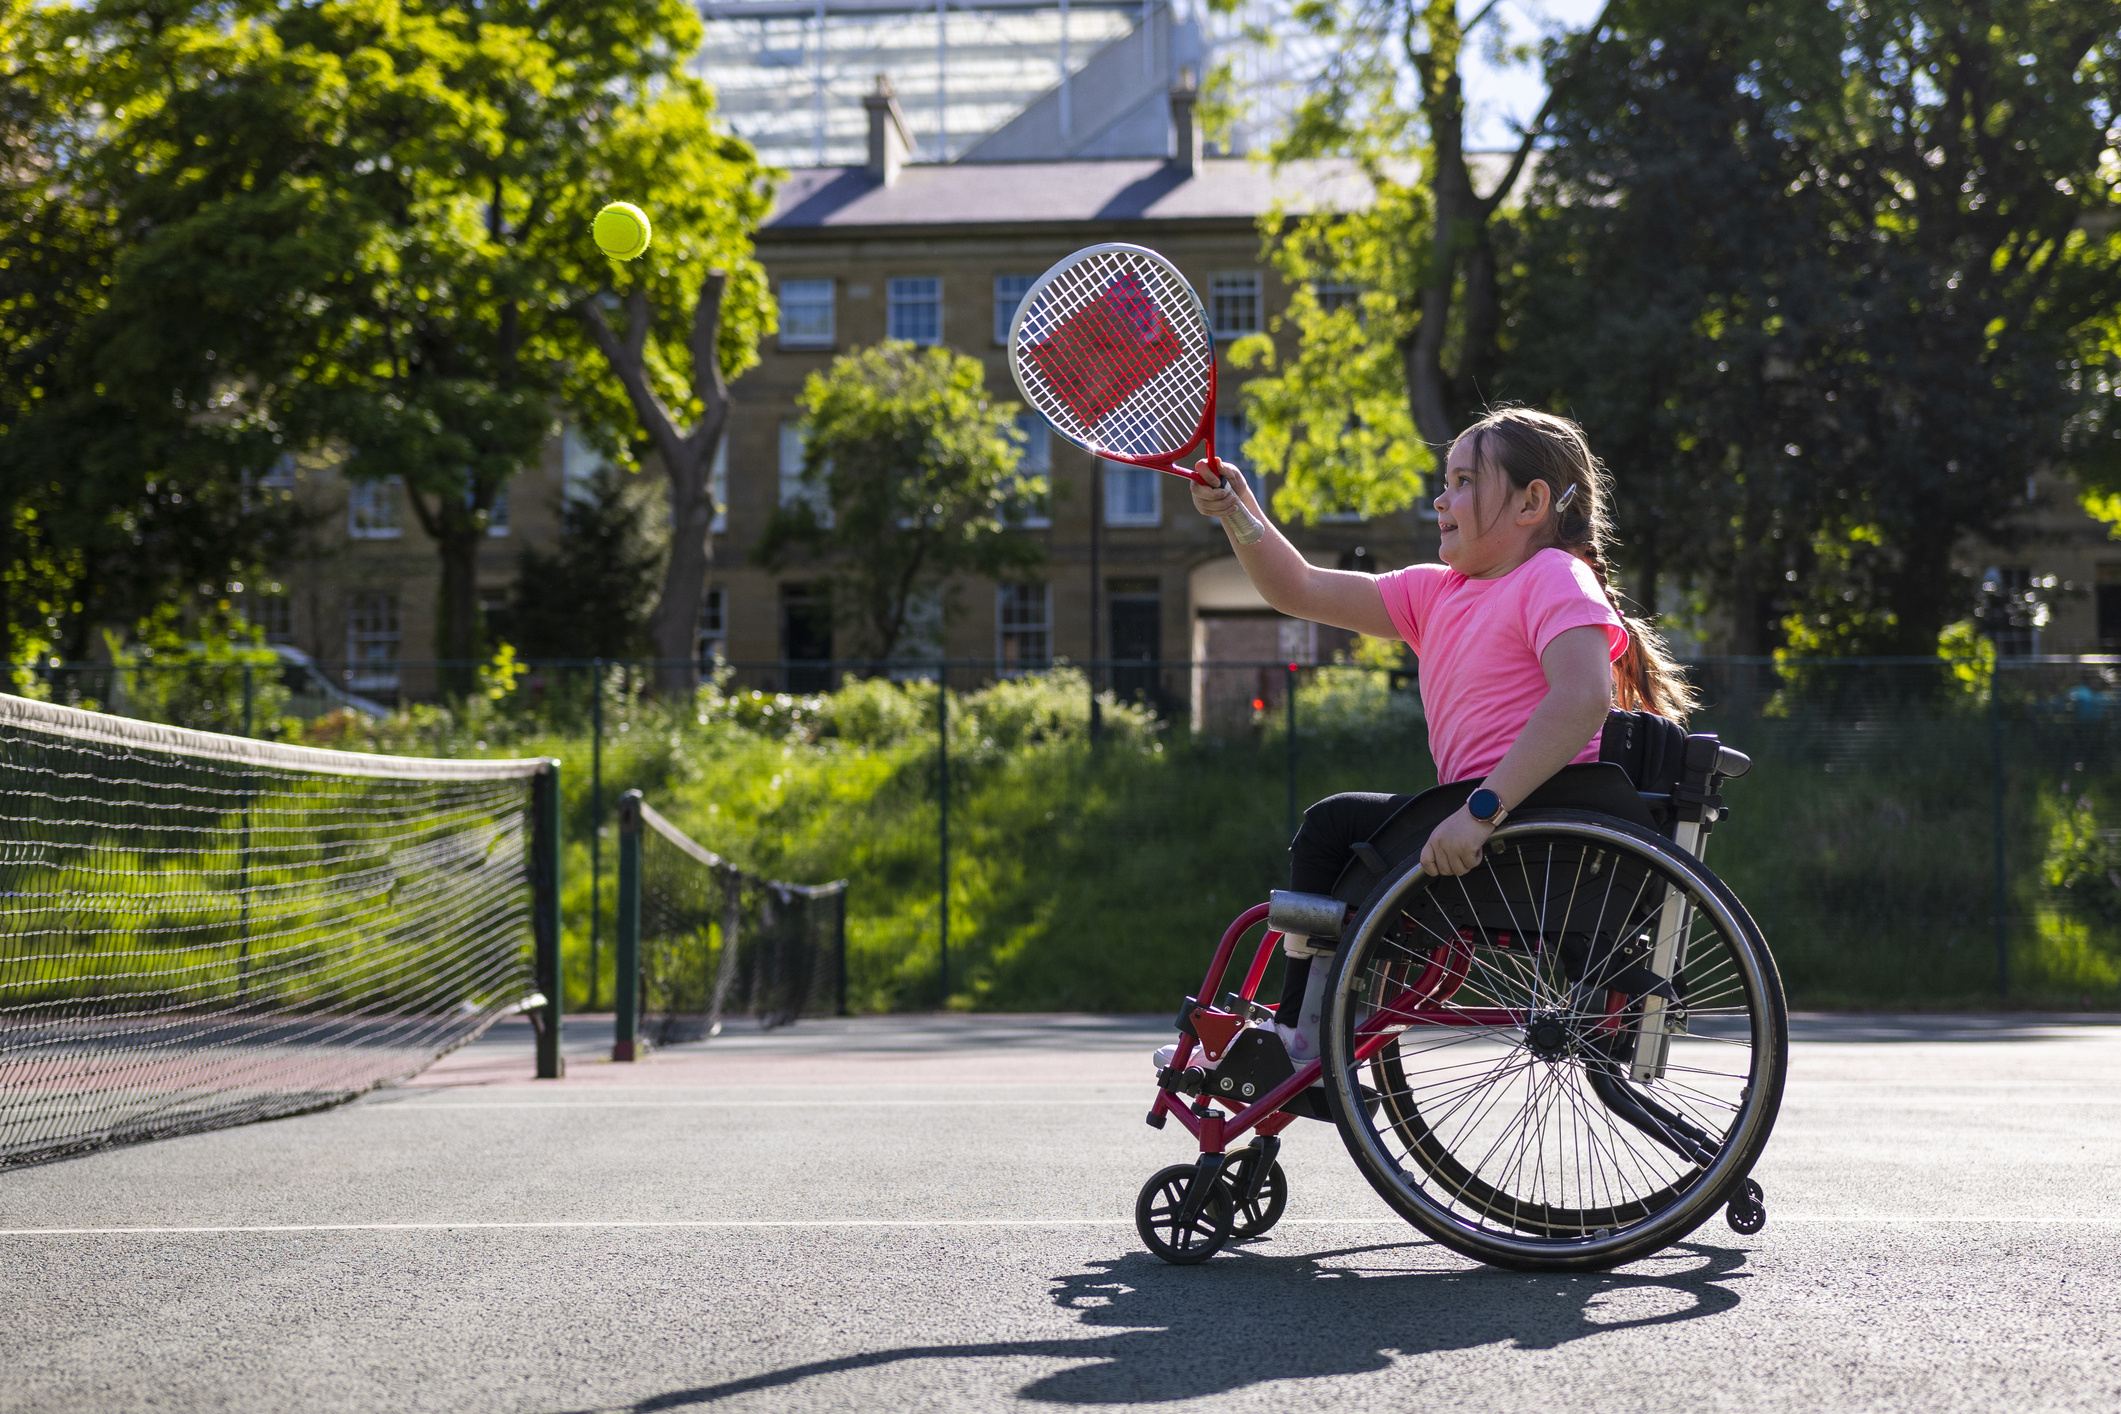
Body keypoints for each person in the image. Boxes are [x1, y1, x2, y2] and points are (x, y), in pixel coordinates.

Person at [1172, 406, 1697, 1068]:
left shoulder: (1552, 576)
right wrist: (1236, 510)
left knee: (1335, 829)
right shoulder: (1437, 593)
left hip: (1527, 828)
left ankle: (1303, 1039)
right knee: (1343, 834)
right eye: (1444, 482)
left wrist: (1480, 811)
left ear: (1531, 503)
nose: (1440, 499)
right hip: (1493, 824)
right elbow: (1298, 587)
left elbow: (1583, 697)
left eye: (1464, 482)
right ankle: (1311, 1026)